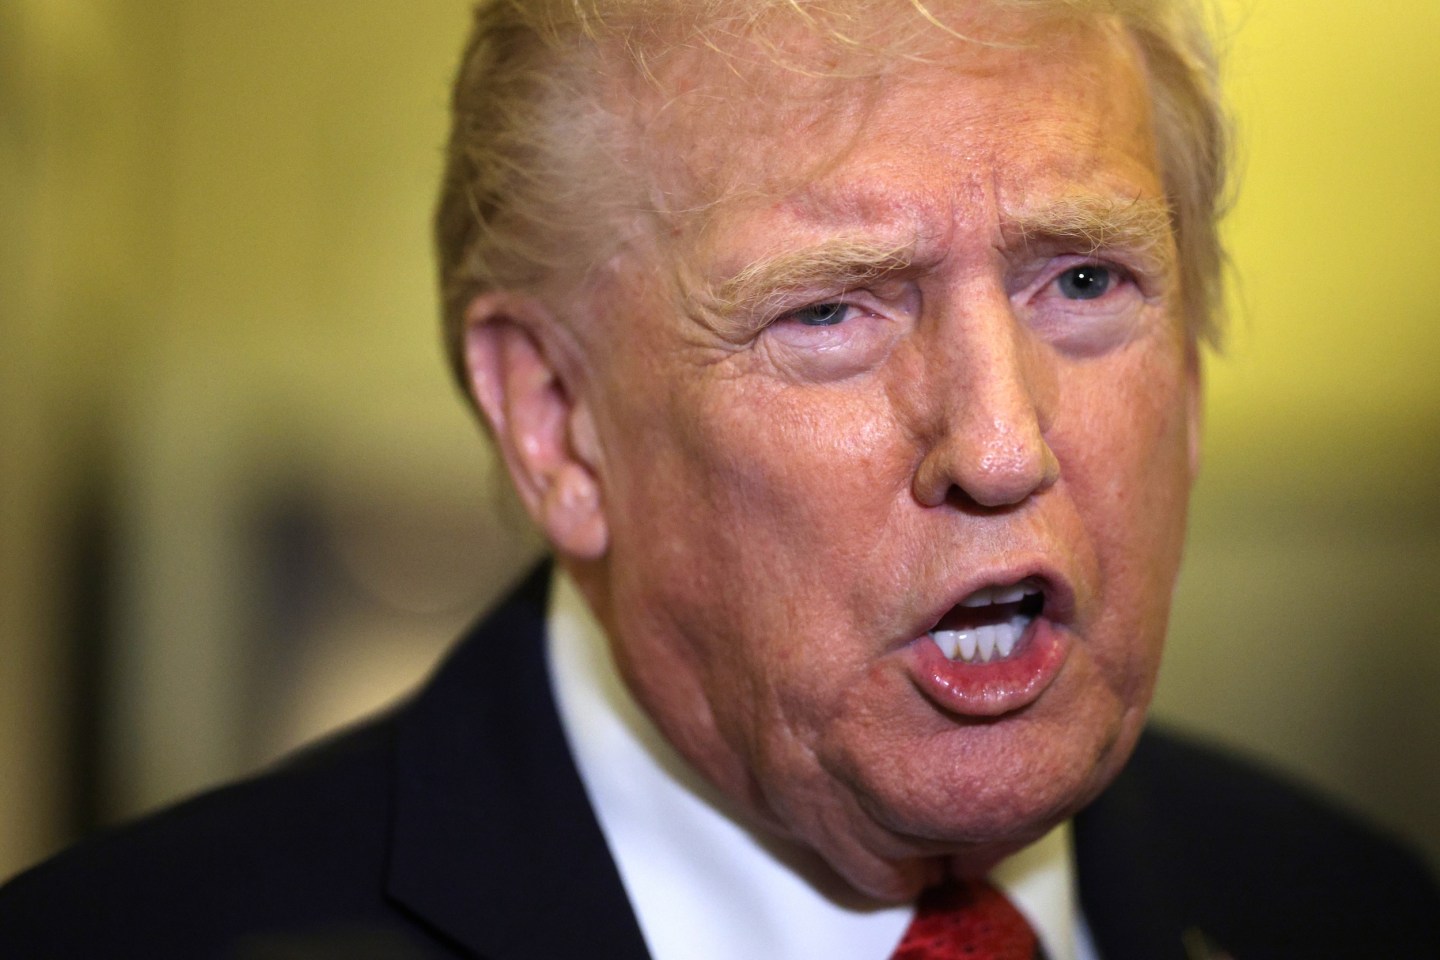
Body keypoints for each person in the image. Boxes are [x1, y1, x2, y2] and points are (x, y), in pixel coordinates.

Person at [2, 0, 1438, 957]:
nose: (1002, 446)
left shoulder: (1351, 911)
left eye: (1082, 278)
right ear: (556, 424)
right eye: (832, 312)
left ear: (1190, 372)